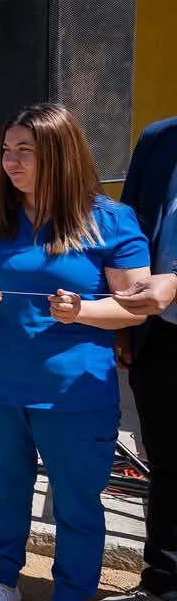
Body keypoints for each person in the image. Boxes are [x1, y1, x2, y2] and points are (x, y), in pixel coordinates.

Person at [0, 103, 151, 601]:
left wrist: (82, 311)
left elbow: (136, 308)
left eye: (25, 151)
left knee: (78, 504)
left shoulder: (111, 220)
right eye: (5, 151)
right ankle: (4, 579)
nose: (10, 162)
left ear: (60, 155)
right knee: (4, 492)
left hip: (74, 394)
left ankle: (74, 591)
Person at [104, 114, 177, 601]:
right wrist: (126, 327)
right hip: (161, 339)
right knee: (167, 465)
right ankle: (162, 585)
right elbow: (130, 231)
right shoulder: (159, 139)